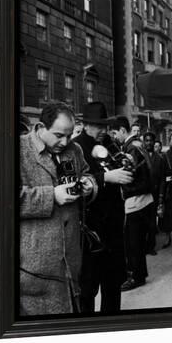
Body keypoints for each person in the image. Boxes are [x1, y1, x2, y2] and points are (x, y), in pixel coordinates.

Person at [19, 101, 98, 316]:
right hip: (34, 269)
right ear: (40, 128)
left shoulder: (75, 150)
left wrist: (89, 186)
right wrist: (51, 196)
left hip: (70, 261)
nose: (65, 142)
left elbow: (87, 174)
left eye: (69, 135)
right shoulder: (15, 150)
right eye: (58, 135)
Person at [71, 102, 134, 314]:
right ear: (86, 124)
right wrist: (105, 177)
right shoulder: (75, 147)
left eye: (105, 126)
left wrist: (126, 163)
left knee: (113, 285)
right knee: (87, 290)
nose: (104, 131)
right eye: (99, 126)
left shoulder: (108, 143)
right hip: (91, 231)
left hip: (113, 229)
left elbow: (121, 166)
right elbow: (73, 184)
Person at [109, 116, 154, 291]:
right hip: (145, 201)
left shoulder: (129, 149)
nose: (114, 137)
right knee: (138, 242)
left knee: (132, 242)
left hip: (135, 202)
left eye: (115, 133)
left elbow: (130, 179)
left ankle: (136, 277)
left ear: (122, 130)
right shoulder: (137, 145)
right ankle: (140, 273)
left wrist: (118, 186)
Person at [143, 131, 166, 256]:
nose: (148, 143)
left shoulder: (160, 158)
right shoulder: (140, 156)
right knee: (143, 222)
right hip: (142, 193)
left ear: (154, 142)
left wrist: (161, 196)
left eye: (150, 140)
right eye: (146, 140)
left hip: (155, 194)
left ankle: (151, 246)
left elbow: (162, 179)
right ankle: (142, 245)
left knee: (152, 222)